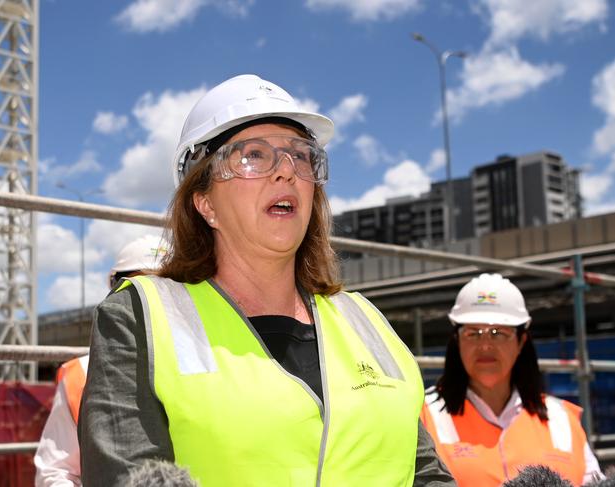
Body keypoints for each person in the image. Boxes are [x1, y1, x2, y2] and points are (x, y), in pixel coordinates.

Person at [79, 74, 455, 486]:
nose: (286, 172)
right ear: (204, 203)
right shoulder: (140, 319)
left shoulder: (365, 318)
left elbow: (422, 471)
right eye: (253, 155)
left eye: (301, 156)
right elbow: (125, 475)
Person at [420, 273, 604, 487]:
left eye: (499, 333)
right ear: (457, 340)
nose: (485, 345)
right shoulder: (423, 415)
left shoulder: (562, 419)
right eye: (473, 333)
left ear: (521, 341)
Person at [34, 234, 168, 486]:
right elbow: (57, 471)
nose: (148, 297)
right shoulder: (80, 375)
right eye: (137, 287)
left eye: (164, 286)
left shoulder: (209, 363)